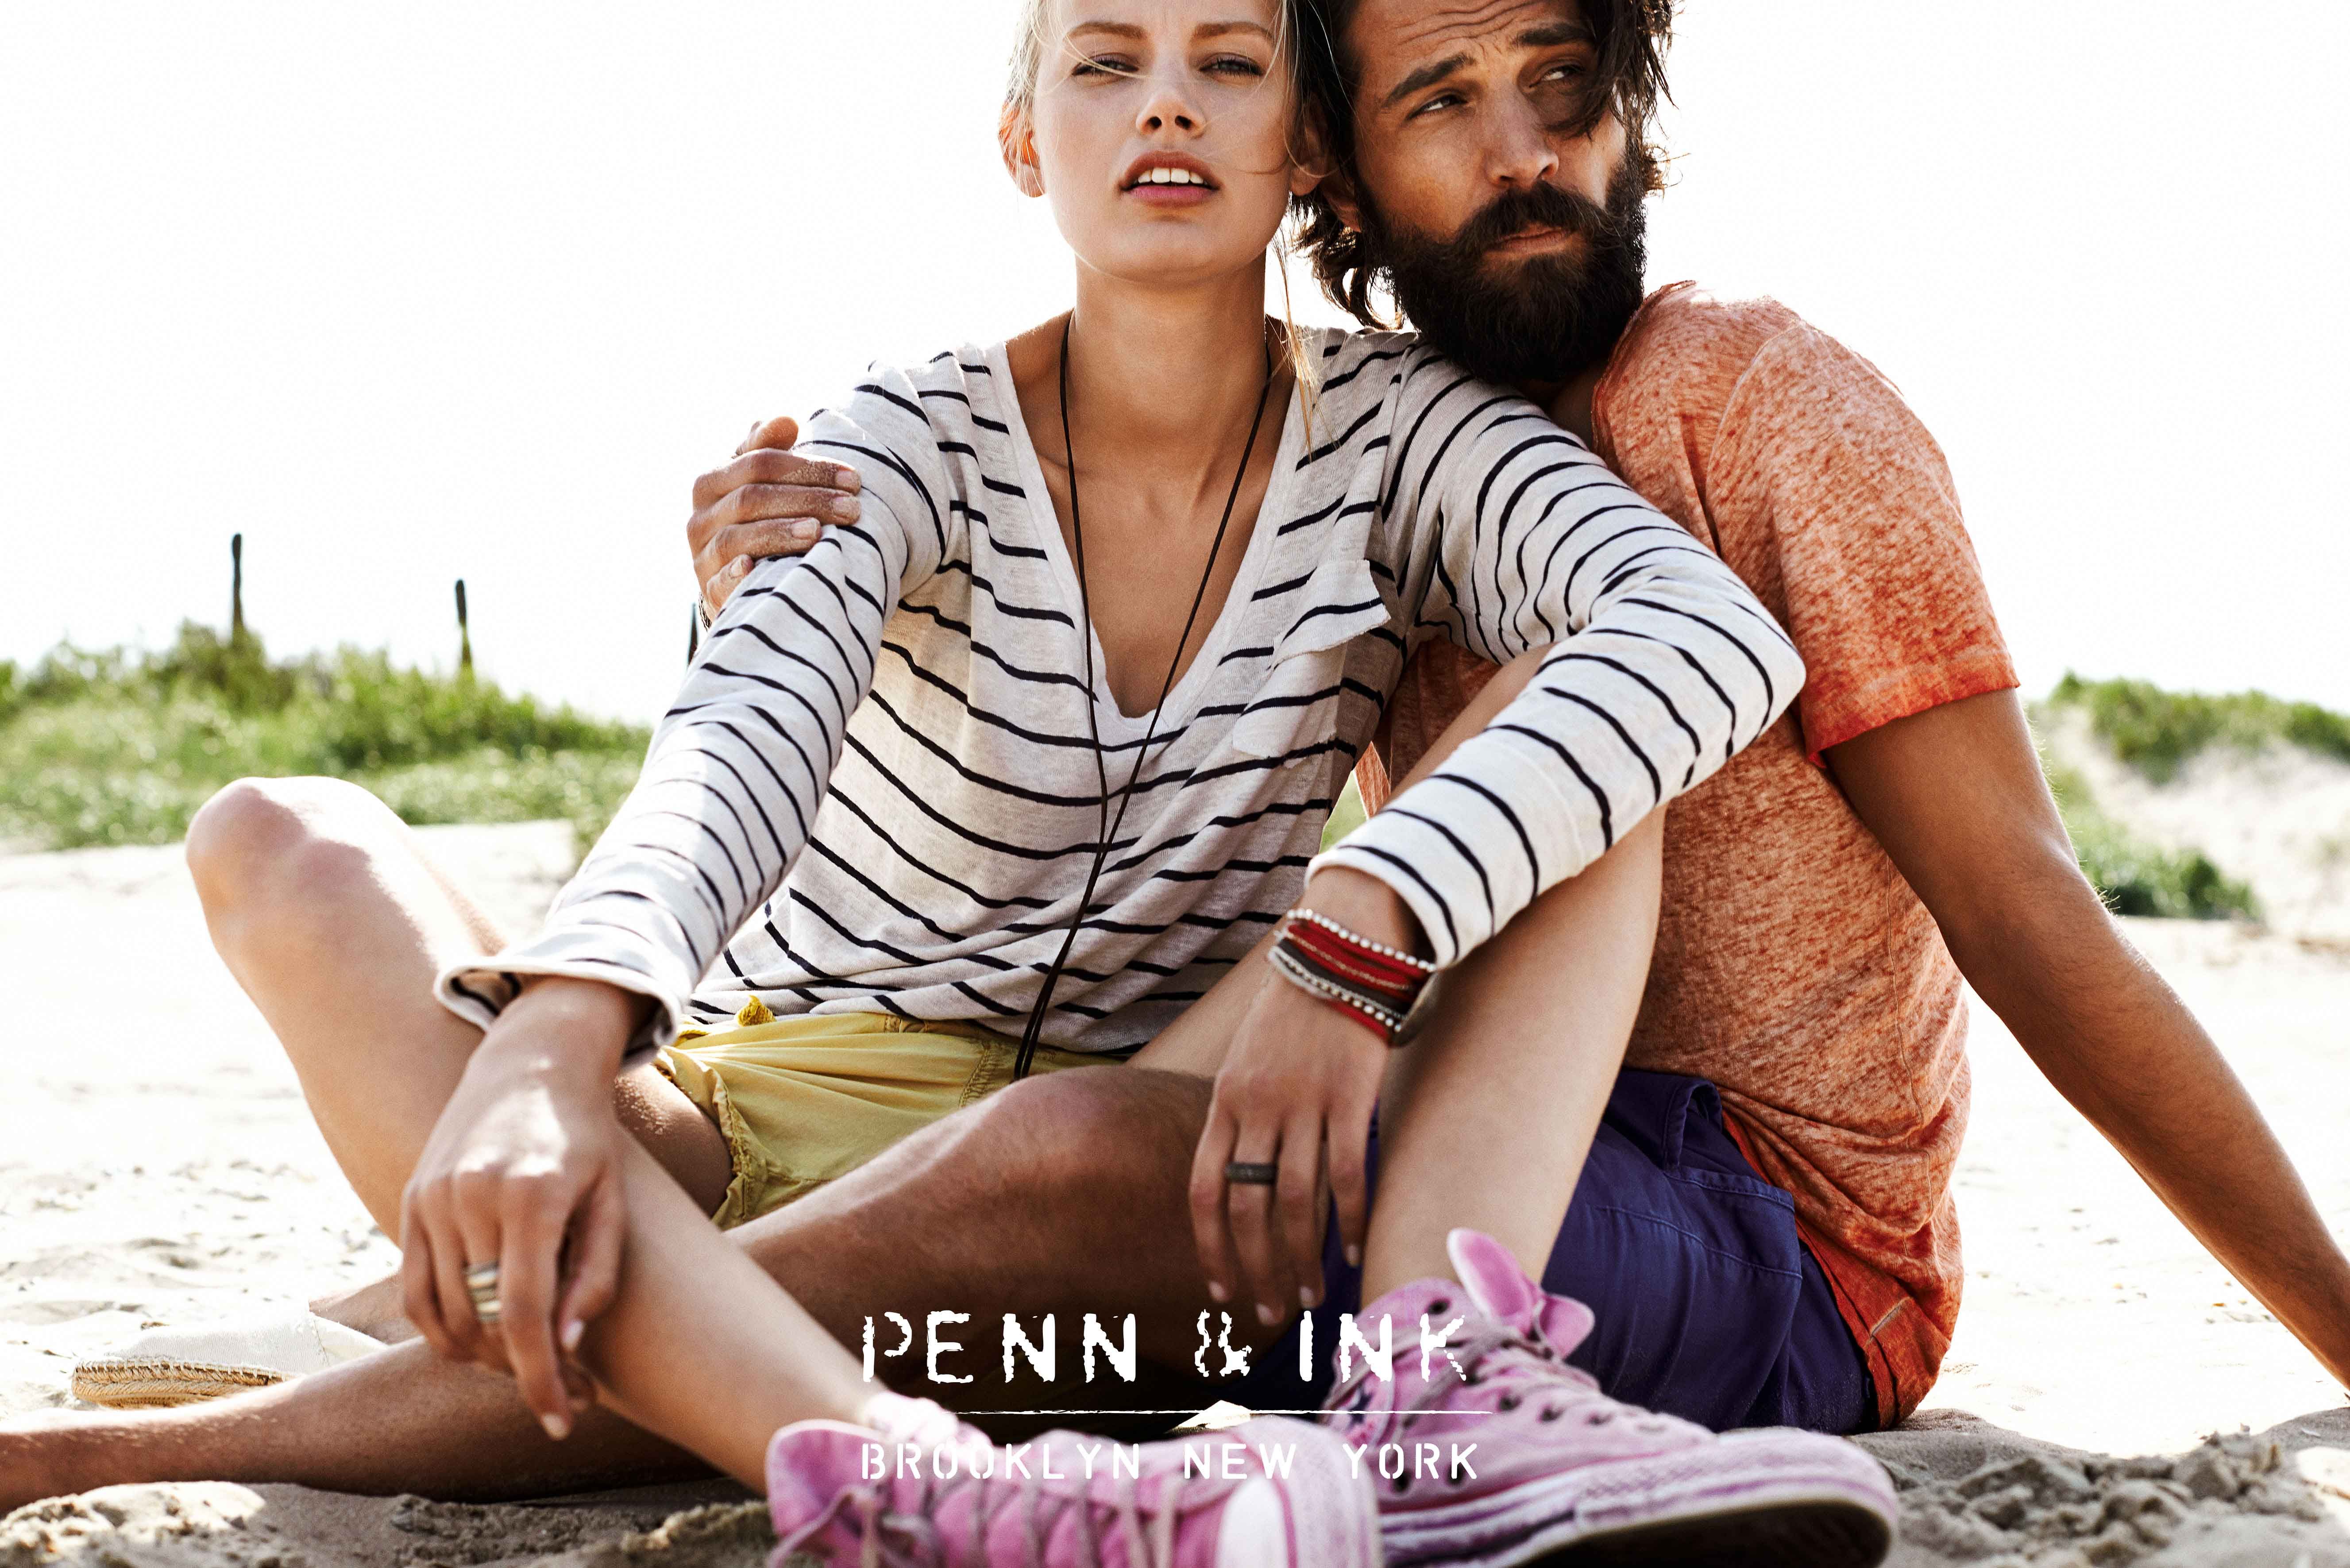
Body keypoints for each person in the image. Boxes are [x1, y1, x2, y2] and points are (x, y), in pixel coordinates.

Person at [3, 0, 1900, 1564]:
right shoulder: (893, 441)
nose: (1166, 103)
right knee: (279, 832)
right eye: (1104, 61)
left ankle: (284, 1402)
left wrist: (1364, 918)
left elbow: (1702, 638)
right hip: (751, 1104)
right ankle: (770, 1383)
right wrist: (560, 1032)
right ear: (1022, 145)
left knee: (1574, 743)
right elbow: (735, 751)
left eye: (1229, 62)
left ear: (1305, 150)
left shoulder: (1413, 439)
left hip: (1101, 1153)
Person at [698, 0, 2350, 1438]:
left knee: (1076, 1175)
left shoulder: (1751, 398)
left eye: (1562, 81)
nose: (1523, 153)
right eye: (1441, 101)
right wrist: (766, 583)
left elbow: (2026, 907)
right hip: (1466, 1111)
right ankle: (650, 1338)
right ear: (1337, 171)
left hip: (1771, 1232)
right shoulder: (1380, 457)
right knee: (1004, 1178)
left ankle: (632, 1345)